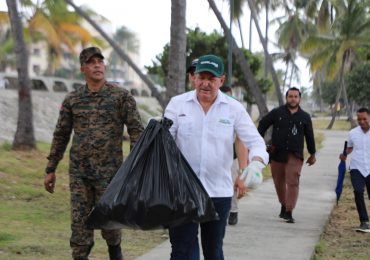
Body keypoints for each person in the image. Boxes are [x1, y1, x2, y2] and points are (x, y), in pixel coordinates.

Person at [43, 47, 144, 260]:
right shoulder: (73, 100)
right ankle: (81, 255)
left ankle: (115, 252)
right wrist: (50, 168)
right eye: (91, 62)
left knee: (110, 223)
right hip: (80, 174)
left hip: (111, 174)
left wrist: (135, 166)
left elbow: (136, 130)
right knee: (79, 224)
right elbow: (61, 134)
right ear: (83, 69)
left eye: (100, 61)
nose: (97, 65)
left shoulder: (120, 97)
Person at [164, 54, 268, 260]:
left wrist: (256, 164)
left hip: (218, 193)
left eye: (211, 79)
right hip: (183, 192)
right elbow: (164, 141)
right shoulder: (177, 105)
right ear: (194, 78)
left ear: (221, 80)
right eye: (201, 77)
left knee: (213, 252)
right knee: (182, 253)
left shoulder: (234, 109)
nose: (205, 83)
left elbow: (256, 142)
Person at [257, 87, 316, 223]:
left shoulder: (305, 117)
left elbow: (310, 136)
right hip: (277, 152)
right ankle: (283, 204)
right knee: (279, 182)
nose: (293, 99)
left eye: (296, 96)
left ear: (299, 98)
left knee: (293, 182)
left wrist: (312, 154)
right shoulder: (277, 112)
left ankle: (289, 211)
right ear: (286, 98)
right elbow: (263, 124)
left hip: (295, 154)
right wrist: (259, 142)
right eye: (290, 96)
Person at [219, 85, 249, 225]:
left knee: (232, 185)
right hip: (217, 159)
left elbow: (241, 140)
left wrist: (243, 169)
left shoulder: (236, 113)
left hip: (233, 158)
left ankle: (233, 211)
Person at [339, 107, 370, 232]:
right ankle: (364, 222)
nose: (362, 121)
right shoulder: (353, 133)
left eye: (364, 119)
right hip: (357, 167)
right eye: (359, 119)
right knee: (358, 191)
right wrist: (344, 153)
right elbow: (350, 148)